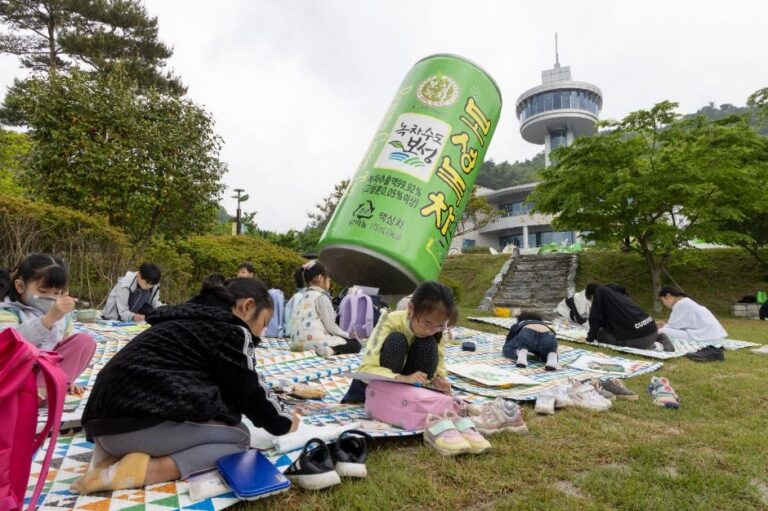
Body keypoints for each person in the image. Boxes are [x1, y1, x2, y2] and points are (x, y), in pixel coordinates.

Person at [73, 278, 299, 495]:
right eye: (263, 324)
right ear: (247, 306)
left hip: (101, 431)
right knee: (239, 436)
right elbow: (249, 390)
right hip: (132, 429)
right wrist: (284, 421)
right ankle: (144, 471)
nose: (261, 333)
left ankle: (111, 459)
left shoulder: (185, 319)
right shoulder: (230, 330)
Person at [342, 281, 458, 403]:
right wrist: (402, 378)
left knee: (428, 344)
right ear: (411, 309)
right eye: (426, 323)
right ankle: (385, 400)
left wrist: (439, 380)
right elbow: (366, 367)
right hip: (382, 384)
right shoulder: (391, 319)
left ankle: (414, 400)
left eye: (439, 326)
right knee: (397, 340)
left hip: (411, 390)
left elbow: (439, 362)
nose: (430, 330)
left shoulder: (436, 331)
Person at [0, 253, 96, 395]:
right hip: (16, 373)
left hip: (45, 374)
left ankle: (49, 388)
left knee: (84, 341)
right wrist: (49, 319)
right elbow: (9, 346)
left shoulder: (62, 314)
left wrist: (69, 376)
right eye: (43, 291)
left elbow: (65, 348)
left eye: (57, 292)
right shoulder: (8, 311)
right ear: (20, 286)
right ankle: (36, 394)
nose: (51, 297)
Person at [288, 260, 361, 357]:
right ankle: (330, 350)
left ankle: (324, 348)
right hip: (315, 343)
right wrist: (348, 335)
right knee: (355, 344)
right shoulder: (321, 297)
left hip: (295, 344)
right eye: (328, 278)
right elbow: (331, 327)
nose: (329, 281)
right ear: (320, 277)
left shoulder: (302, 296)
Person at [584, 283, 674, 351]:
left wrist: (589, 339)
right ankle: (658, 338)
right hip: (653, 331)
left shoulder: (600, 292)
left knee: (601, 333)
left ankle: (646, 345)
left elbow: (595, 320)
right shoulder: (619, 296)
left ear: (592, 295)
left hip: (639, 340)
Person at [656, 286, 727, 341]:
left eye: (663, 300)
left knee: (662, 331)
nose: (664, 304)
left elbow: (674, 326)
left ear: (668, 296)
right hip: (712, 335)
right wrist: (665, 325)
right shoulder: (685, 301)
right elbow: (680, 325)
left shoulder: (681, 304)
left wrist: (664, 326)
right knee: (664, 330)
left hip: (705, 336)